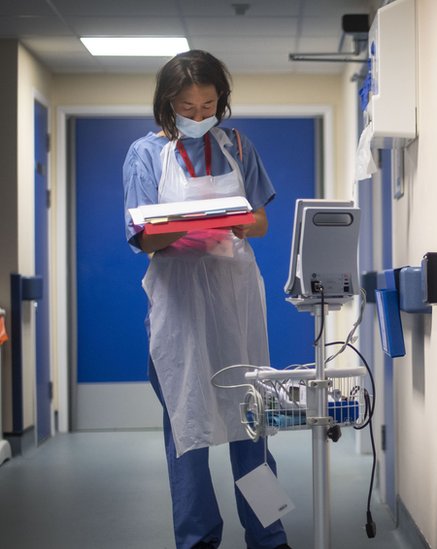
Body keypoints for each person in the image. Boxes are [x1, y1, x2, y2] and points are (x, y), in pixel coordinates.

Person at [122, 50, 291, 549]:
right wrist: (182, 228)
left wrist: (229, 219)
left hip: (234, 302)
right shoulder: (145, 155)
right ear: (167, 104)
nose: (199, 117)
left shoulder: (238, 144)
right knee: (188, 432)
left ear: (222, 101)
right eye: (188, 108)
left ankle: (270, 536)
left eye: (208, 105)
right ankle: (197, 540)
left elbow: (258, 221)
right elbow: (140, 238)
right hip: (179, 308)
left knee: (252, 425)